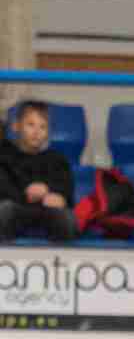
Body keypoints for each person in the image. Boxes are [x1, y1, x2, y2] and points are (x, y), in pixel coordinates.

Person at [0, 100, 78, 242]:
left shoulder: (57, 159)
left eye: (43, 127)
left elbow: (66, 189)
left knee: (67, 218)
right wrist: (28, 195)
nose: (36, 132)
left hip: (47, 211)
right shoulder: (5, 155)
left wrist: (52, 192)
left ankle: (59, 255)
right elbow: (4, 189)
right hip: (16, 208)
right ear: (16, 126)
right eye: (30, 124)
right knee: (4, 210)